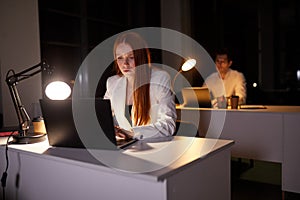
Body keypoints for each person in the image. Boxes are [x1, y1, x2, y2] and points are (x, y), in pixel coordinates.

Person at [104, 32, 177, 140]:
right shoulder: (112, 82)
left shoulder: (160, 79)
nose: (125, 64)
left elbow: (168, 125)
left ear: (141, 57)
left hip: (154, 146)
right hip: (125, 147)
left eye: (131, 57)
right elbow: (103, 118)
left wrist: (133, 133)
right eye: (120, 58)